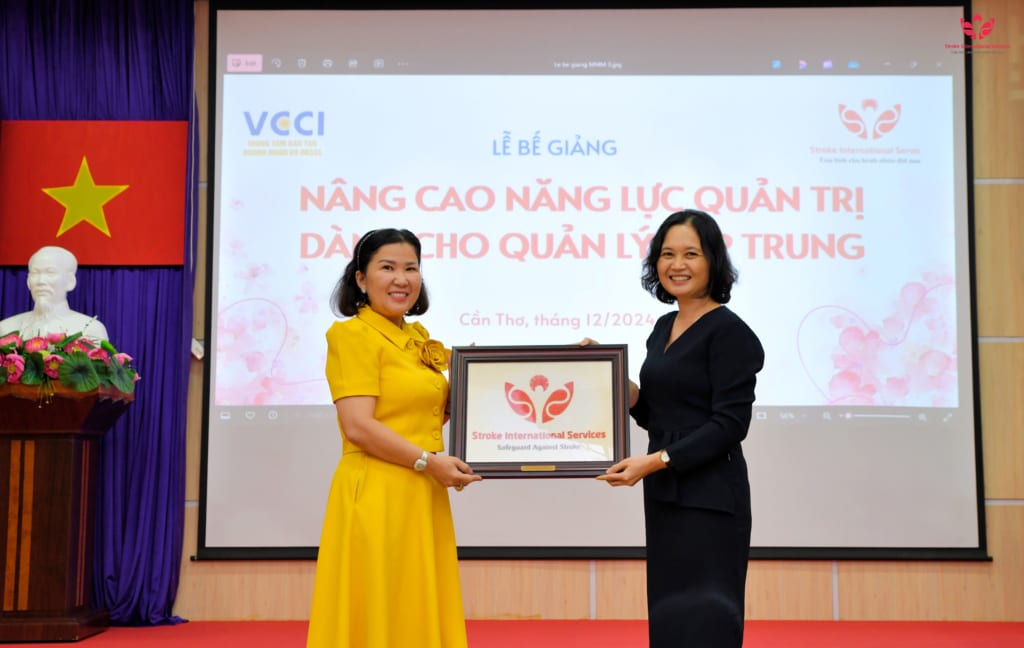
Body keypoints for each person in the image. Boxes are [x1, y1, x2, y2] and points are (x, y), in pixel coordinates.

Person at [589, 209, 764, 647]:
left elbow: (730, 424)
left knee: (707, 623)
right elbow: (657, 412)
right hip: (666, 493)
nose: (677, 265)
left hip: (711, 498)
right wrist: (604, 373)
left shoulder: (730, 332)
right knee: (670, 619)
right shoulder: (664, 326)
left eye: (691, 254)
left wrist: (655, 461)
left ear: (713, 261)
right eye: (667, 254)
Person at [306, 228, 481, 648]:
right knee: (380, 604)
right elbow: (358, 426)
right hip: (378, 491)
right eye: (387, 267)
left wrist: (560, 360)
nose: (401, 279)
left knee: (414, 602)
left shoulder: (416, 338)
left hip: (422, 489)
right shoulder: (352, 335)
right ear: (361, 279)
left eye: (411, 268)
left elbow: (427, 411)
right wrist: (429, 461)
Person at [0, 246, 108, 342]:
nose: (41, 281)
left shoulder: (90, 330)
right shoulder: (6, 329)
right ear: (28, 281)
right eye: (35, 273)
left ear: (70, 282)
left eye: (50, 272)